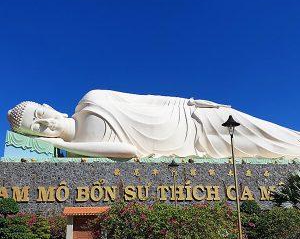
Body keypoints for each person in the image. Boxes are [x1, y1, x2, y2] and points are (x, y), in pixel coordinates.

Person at [7, 89, 300, 159]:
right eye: (36, 128)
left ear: (47, 107)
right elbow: (128, 150)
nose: (44, 122)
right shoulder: (79, 146)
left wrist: (187, 102)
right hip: (189, 145)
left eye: (38, 114)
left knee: (267, 133)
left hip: (188, 117)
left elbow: (145, 100)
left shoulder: (90, 98)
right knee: (261, 151)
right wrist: (61, 143)